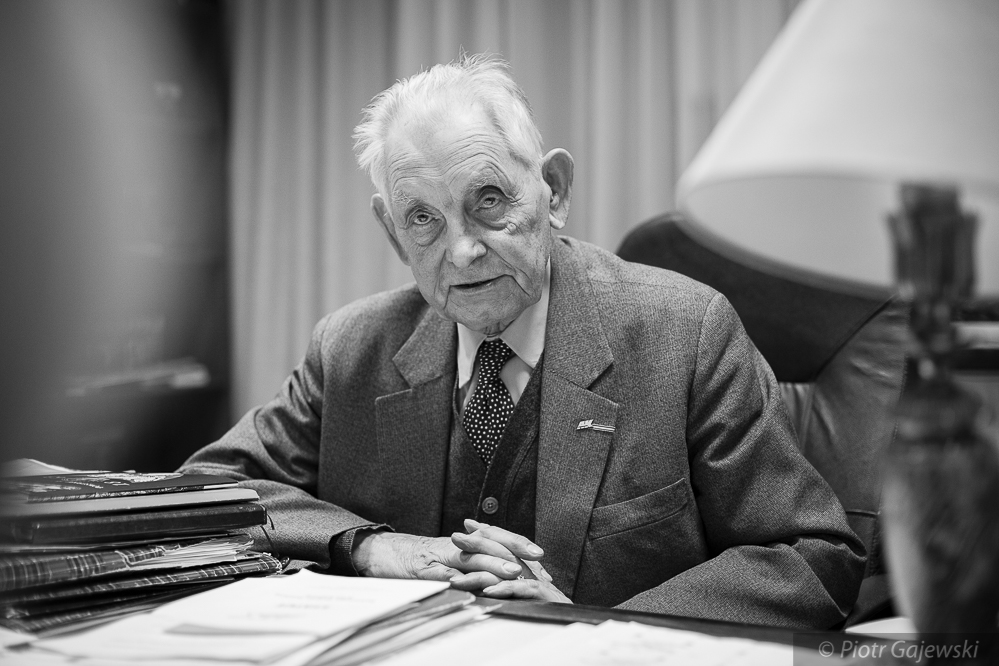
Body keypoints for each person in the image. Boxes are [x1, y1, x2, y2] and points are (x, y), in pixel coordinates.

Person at [180, 54, 864, 629]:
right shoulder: (351, 350)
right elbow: (199, 500)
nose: (463, 251)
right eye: (423, 218)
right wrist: (367, 547)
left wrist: (596, 630)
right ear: (393, 233)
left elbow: (812, 557)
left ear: (553, 192)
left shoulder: (684, 333)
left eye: (488, 200)